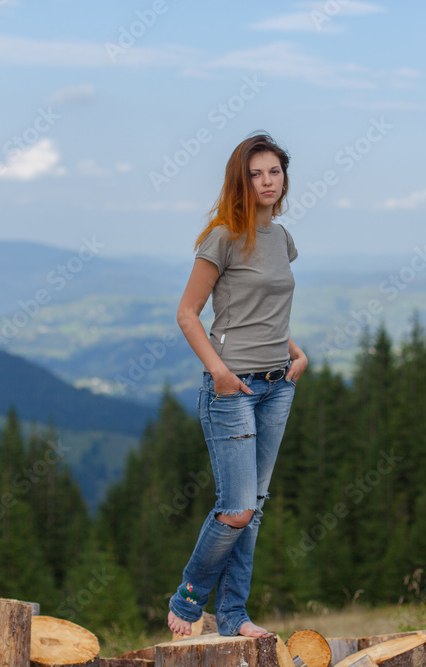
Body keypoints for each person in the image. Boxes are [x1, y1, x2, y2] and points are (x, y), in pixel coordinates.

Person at [167, 133, 306, 638]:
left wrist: (295, 351)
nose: (268, 181)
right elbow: (188, 314)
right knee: (237, 508)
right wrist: (221, 374)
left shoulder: (282, 238)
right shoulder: (222, 236)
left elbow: (262, 310)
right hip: (233, 389)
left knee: (256, 510)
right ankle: (187, 601)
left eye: (275, 172)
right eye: (256, 174)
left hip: (278, 385)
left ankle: (232, 616)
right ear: (240, 181)